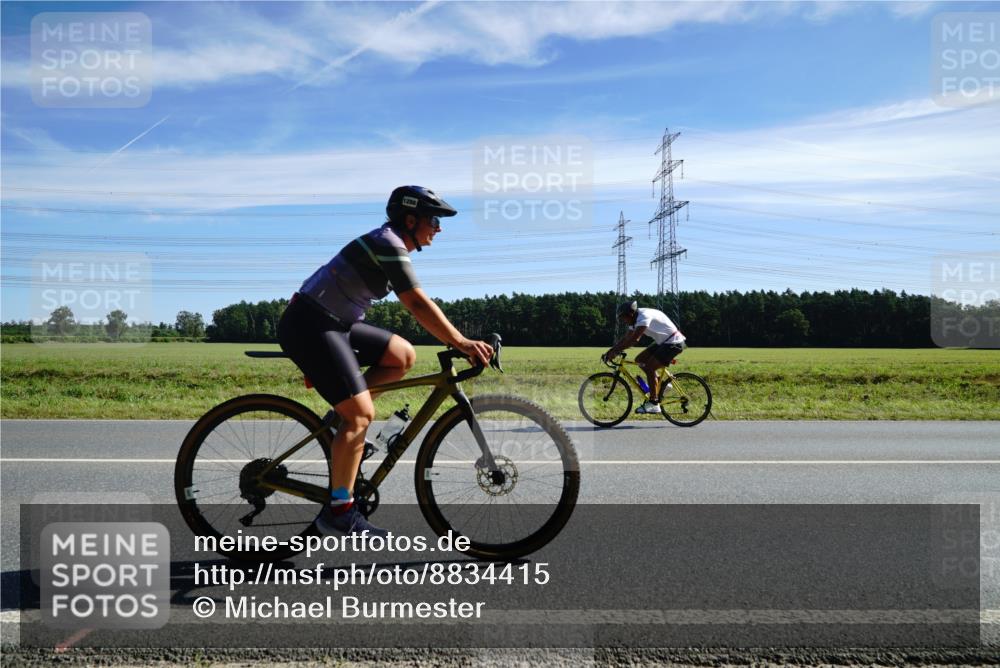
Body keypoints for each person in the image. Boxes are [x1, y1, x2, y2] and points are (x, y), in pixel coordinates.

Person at [277, 186, 493, 537]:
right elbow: (416, 302)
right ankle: (339, 512)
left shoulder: (392, 244)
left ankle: (340, 424)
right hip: (310, 324)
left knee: (402, 355)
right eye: (433, 220)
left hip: (336, 323)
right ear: (410, 220)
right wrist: (461, 342)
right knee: (361, 415)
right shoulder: (387, 243)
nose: (439, 228)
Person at [603, 301, 686, 414]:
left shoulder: (643, 317)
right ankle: (662, 386)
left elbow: (634, 339)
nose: (623, 321)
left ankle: (654, 403)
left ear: (630, 314)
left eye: (624, 318)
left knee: (650, 367)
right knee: (640, 360)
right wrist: (611, 350)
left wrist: (616, 351)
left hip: (674, 342)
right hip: (664, 342)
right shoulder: (634, 319)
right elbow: (627, 337)